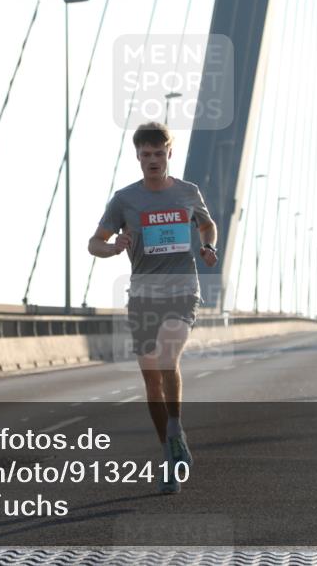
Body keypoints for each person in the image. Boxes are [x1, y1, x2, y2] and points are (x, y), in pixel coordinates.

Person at [88, 121, 217, 494]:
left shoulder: (188, 193)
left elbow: (208, 226)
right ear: (138, 157)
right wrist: (112, 248)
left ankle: (175, 431)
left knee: (166, 360)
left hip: (181, 290)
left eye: (159, 153)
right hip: (143, 295)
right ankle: (170, 451)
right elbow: (94, 242)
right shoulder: (125, 199)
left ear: (169, 154)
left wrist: (209, 246)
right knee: (150, 378)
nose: (153, 160)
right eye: (146, 155)